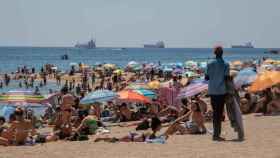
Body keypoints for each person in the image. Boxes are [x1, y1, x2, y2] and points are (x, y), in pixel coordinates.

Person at [205, 46, 230, 141]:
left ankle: (216, 134)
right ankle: (216, 135)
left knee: (216, 113)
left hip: (212, 91)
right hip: (221, 91)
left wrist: (213, 76)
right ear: (222, 53)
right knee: (219, 113)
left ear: (214, 53)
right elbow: (227, 78)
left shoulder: (209, 63)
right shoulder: (226, 64)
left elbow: (206, 77)